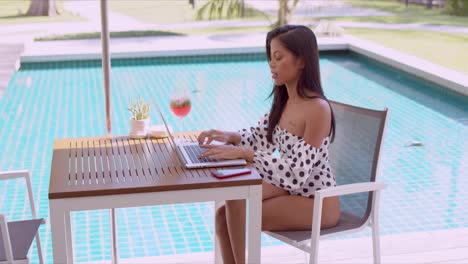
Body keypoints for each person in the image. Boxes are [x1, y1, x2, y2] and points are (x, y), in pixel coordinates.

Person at [197, 25, 340, 264]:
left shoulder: (318, 109)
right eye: (270, 58)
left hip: (316, 201)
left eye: (278, 57)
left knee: (240, 209)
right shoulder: (285, 100)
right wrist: (229, 136)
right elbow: (261, 137)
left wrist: (246, 153)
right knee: (229, 206)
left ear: (302, 61)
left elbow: (297, 173)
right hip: (290, 189)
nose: (271, 64)